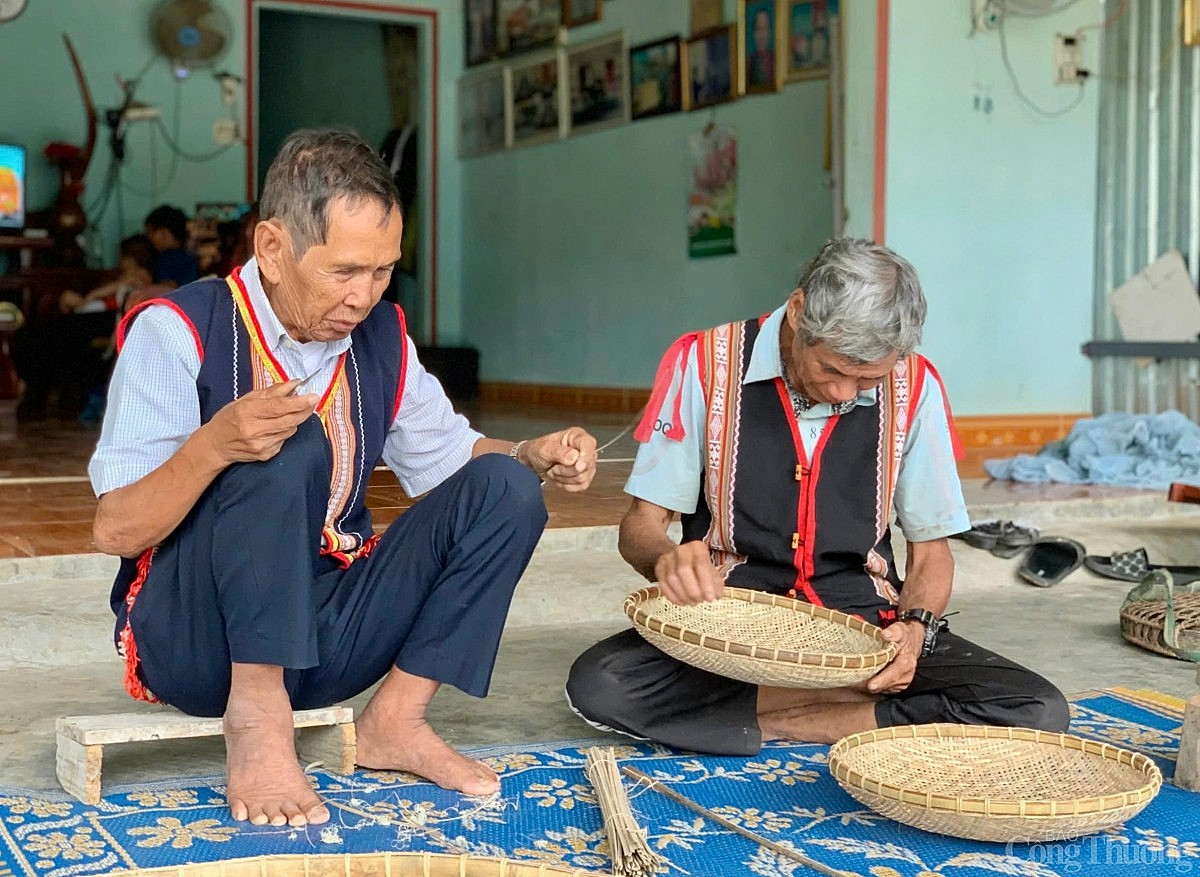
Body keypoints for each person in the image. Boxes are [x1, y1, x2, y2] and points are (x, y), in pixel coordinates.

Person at [88, 128, 597, 828]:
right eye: (344, 271)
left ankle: (396, 722)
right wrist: (213, 445)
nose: (364, 296)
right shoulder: (178, 330)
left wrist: (531, 454)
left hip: (326, 636)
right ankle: (259, 721)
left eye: (383, 270)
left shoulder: (382, 336)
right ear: (272, 248)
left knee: (506, 490)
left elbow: (455, 460)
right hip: (200, 641)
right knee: (288, 439)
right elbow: (115, 526)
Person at [565, 237, 1069, 756]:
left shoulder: (916, 386)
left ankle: (796, 720)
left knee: (1036, 708)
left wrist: (916, 630)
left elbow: (931, 553)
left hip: (862, 628)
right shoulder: (705, 365)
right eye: (832, 370)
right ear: (800, 312)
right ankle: (850, 712)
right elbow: (641, 526)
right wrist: (666, 562)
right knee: (602, 684)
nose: (844, 393)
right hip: (729, 627)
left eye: (867, 379)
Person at [142, 204, 200, 288]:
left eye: (149, 232)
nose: (148, 237)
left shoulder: (166, 259)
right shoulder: (190, 258)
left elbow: (166, 288)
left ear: (163, 233)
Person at [748, 6, 776, 87]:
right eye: (758, 29)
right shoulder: (748, 64)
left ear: (770, 32)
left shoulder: (777, 61)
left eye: (765, 29)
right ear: (753, 33)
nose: (761, 36)